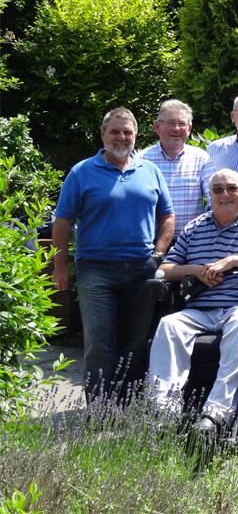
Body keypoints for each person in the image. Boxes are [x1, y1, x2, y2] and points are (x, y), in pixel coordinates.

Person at [149, 169, 238, 432]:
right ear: (208, 195)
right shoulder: (195, 227)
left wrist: (236, 261)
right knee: (169, 325)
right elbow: (165, 269)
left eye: (232, 188)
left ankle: (216, 413)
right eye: (217, 190)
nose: (225, 194)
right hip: (201, 310)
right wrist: (196, 270)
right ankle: (163, 412)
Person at [52, 107, 174, 398]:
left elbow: (167, 216)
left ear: (135, 136)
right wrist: (60, 265)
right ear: (103, 134)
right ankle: (99, 409)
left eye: (127, 132)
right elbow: (63, 220)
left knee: (134, 340)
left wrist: (157, 254)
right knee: (99, 341)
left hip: (142, 268)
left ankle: (126, 409)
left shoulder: (150, 170)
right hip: (96, 269)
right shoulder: (81, 172)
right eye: (115, 132)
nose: (122, 137)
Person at [139, 99, 215, 240]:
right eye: (171, 123)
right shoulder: (142, 160)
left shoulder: (201, 159)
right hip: (151, 243)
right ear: (157, 127)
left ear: (189, 128)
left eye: (181, 124)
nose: (176, 129)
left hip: (191, 244)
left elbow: (214, 199)